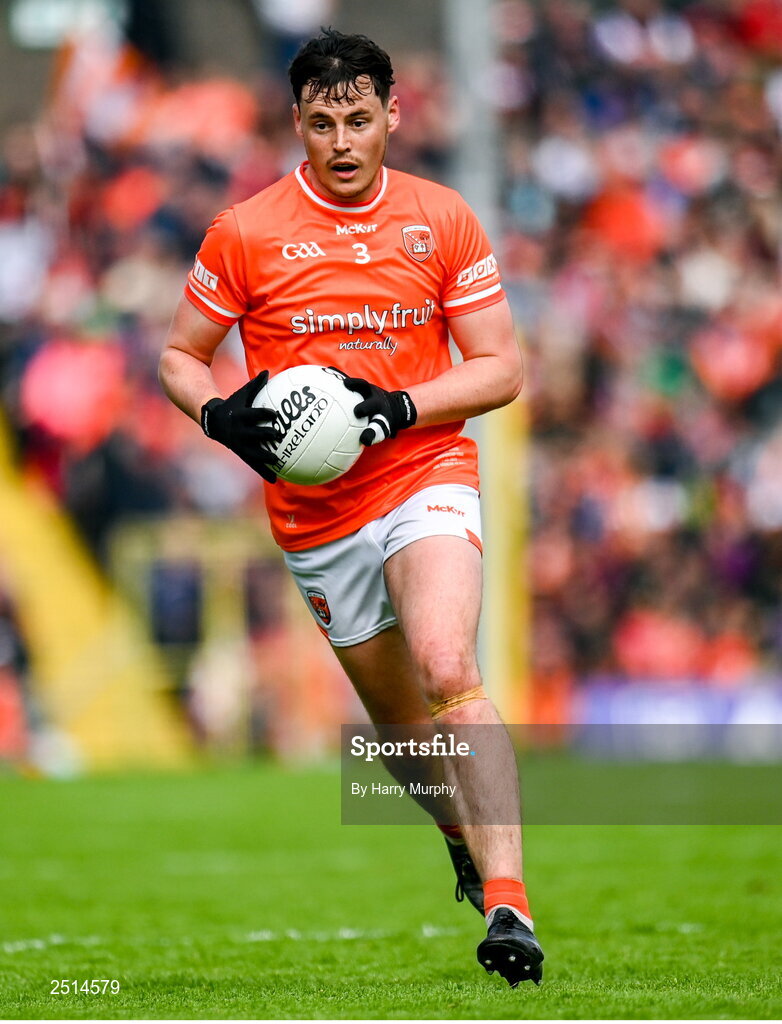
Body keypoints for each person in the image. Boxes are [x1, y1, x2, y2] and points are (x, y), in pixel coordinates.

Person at [159, 27, 543, 988]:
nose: (341, 140)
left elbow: (502, 367)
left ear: (392, 116)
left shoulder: (442, 217)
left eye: (360, 119)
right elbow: (179, 355)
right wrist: (218, 416)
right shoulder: (243, 232)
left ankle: (510, 903)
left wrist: (401, 407)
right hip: (316, 516)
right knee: (404, 734)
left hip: (423, 469)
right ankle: (459, 834)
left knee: (450, 664)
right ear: (297, 121)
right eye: (323, 121)